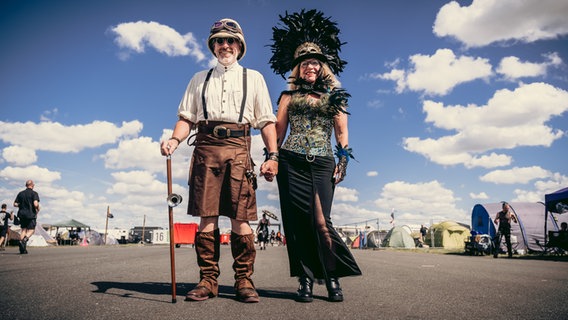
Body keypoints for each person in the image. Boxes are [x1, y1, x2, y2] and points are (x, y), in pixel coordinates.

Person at [160, 18, 278, 303]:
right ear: (213, 46)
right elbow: (186, 117)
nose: (225, 45)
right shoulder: (199, 79)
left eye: (231, 40)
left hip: (239, 147)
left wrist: (273, 156)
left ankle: (244, 281)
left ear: (240, 46)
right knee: (207, 216)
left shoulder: (255, 78)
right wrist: (174, 140)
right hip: (205, 147)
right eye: (220, 41)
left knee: (242, 217)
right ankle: (208, 280)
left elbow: (266, 121)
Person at [268, 10, 362, 303]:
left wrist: (343, 162)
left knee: (322, 222)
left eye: (315, 62)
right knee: (297, 225)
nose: (310, 66)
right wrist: (271, 157)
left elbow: (342, 134)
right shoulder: (287, 97)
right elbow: (278, 132)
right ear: (297, 68)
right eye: (305, 62)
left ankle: (331, 276)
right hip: (291, 162)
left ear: (322, 67)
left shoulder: (336, 97)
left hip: (322, 163)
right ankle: (305, 280)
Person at [13, 180, 40, 254]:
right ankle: (24, 240)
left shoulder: (20, 193)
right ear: (32, 185)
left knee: (23, 230)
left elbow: (15, 204)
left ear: (26, 185)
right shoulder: (34, 193)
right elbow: (35, 204)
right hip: (30, 214)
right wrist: (38, 208)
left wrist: (21, 205)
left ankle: (22, 249)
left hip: (22, 214)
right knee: (31, 230)